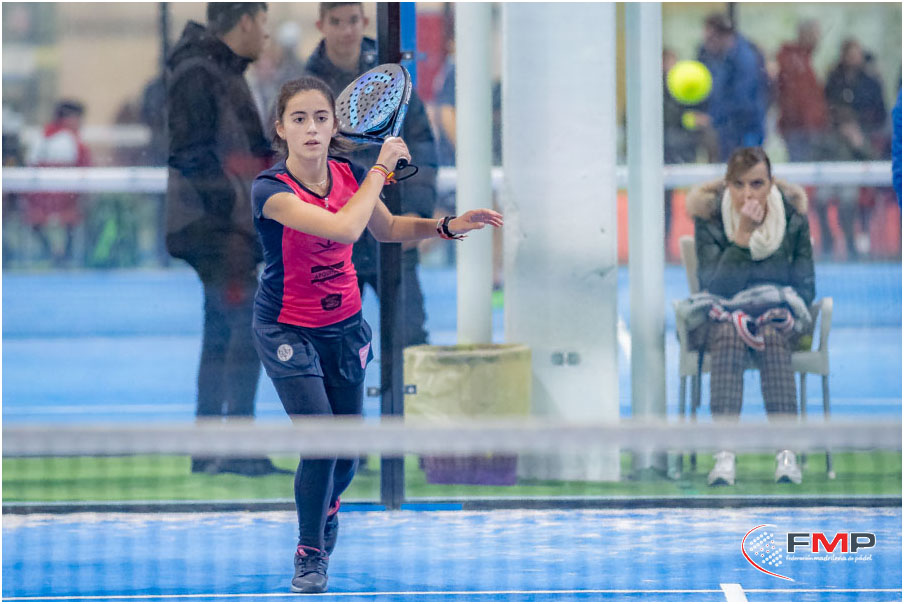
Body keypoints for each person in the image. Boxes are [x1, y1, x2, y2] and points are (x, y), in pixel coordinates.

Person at [250, 76, 502, 593]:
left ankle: (329, 505)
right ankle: (310, 551)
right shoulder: (270, 190)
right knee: (322, 442)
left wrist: (446, 226)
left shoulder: (347, 174)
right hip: (286, 328)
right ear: (281, 128)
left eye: (321, 118)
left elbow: (383, 229)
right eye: (299, 119)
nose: (311, 128)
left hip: (343, 325)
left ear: (334, 126)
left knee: (347, 451)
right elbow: (344, 227)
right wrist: (382, 169)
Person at [166, 2, 287, 476]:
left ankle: (213, 447)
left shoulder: (218, 70)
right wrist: (234, 210)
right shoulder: (200, 73)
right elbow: (192, 155)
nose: (266, 35)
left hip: (224, 227)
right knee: (242, 326)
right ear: (246, 22)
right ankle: (232, 446)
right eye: (263, 23)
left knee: (224, 330)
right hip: (216, 230)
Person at [305, 1, 438, 349]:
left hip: (392, 227)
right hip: (336, 237)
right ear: (321, 25)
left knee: (410, 336)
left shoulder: (393, 76)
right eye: (337, 22)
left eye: (353, 20)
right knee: (333, 343)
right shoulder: (306, 87)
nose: (346, 30)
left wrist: (417, 210)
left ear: (365, 21)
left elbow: (420, 143)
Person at [685, 147, 814, 487]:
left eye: (757, 184)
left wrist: (769, 306)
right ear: (727, 185)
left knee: (770, 333)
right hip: (721, 318)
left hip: (779, 318)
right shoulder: (710, 220)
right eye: (739, 184)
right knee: (730, 332)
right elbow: (714, 288)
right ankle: (724, 454)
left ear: (771, 183)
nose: (748, 194)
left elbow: (805, 287)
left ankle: (786, 453)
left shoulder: (794, 219)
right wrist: (742, 237)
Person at [23, 99, 91, 266]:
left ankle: (53, 253)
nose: (81, 124)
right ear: (69, 119)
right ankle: (64, 256)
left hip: (37, 204)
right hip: (65, 204)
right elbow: (86, 171)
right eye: (78, 119)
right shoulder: (73, 142)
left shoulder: (39, 138)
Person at [697, 14, 770, 161]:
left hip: (746, 131)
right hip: (728, 131)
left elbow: (743, 101)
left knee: (746, 168)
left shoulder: (745, 59)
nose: (707, 44)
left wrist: (713, 117)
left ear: (724, 36)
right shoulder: (718, 57)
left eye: (710, 39)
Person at [775, 20, 829, 162]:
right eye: (815, 35)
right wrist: (808, 122)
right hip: (800, 128)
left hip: (808, 127)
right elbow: (797, 97)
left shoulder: (805, 60)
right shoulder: (794, 61)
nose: (818, 40)